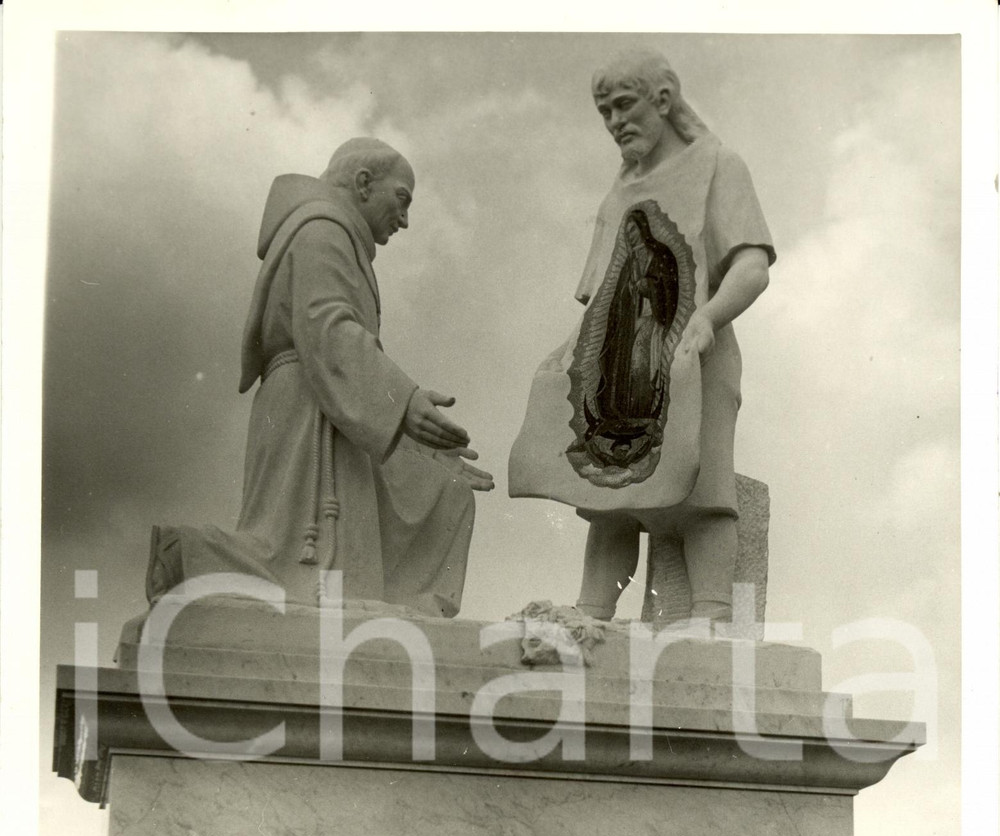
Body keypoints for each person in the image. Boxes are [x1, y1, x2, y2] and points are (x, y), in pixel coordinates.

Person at [147, 138, 492, 618]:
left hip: (327, 401)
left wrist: (412, 431)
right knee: (289, 558)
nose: (406, 220)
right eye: (402, 199)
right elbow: (327, 327)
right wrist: (404, 401)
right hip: (312, 409)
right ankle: (188, 557)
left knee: (440, 492)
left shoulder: (333, 236)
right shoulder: (321, 232)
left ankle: (405, 610)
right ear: (364, 184)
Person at [508, 50, 774, 624]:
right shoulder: (618, 193)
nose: (615, 123)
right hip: (617, 358)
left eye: (624, 105)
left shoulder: (719, 166)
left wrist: (708, 318)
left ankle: (711, 618)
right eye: (605, 113)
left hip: (693, 357)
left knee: (703, 493)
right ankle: (592, 614)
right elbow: (599, 293)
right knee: (608, 498)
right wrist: (562, 353)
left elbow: (752, 265)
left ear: (663, 100)